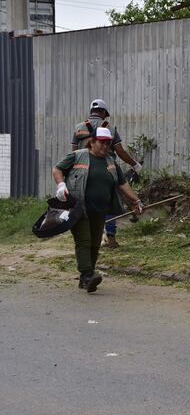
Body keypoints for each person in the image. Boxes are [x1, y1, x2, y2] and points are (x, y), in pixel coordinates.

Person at [54, 127, 144, 293]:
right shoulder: (78, 156)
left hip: (100, 210)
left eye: (107, 143)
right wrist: (61, 185)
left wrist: (136, 200)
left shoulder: (111, 161)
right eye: (101, 143)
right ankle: (88, 274)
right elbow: (57, 169)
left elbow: (123, 184)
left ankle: (85, 279)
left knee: (95, 244)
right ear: (92, 142)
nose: (105, 146)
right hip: (79, 208)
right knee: (84, 241)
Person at [72, 99, 142, 249]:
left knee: (86, 204)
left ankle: (88, 237)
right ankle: (110, 237)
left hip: (82, 171)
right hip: (106, 169)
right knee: (109, 202)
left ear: (91, 112)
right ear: (104, 112)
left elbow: (73, 152)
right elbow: (120, 151)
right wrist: (134, 164)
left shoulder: (78, 128)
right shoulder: (109, 128)